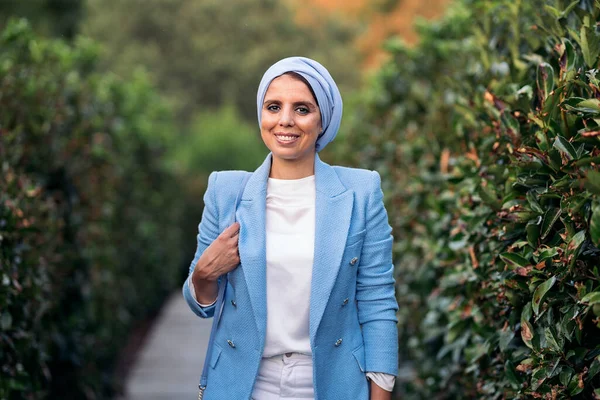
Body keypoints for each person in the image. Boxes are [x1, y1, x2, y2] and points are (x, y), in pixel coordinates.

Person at [182, 56, 398, 400]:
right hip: (244, 384)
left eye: (301, 109)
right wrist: (205, 274)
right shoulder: (225, 191)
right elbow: (201, 304)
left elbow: (377, 300)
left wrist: (381, 392)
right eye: (273, 106)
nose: (285, 120)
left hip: (334, 381)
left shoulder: (361, 191)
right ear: (261, 115)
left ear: (322, 120)